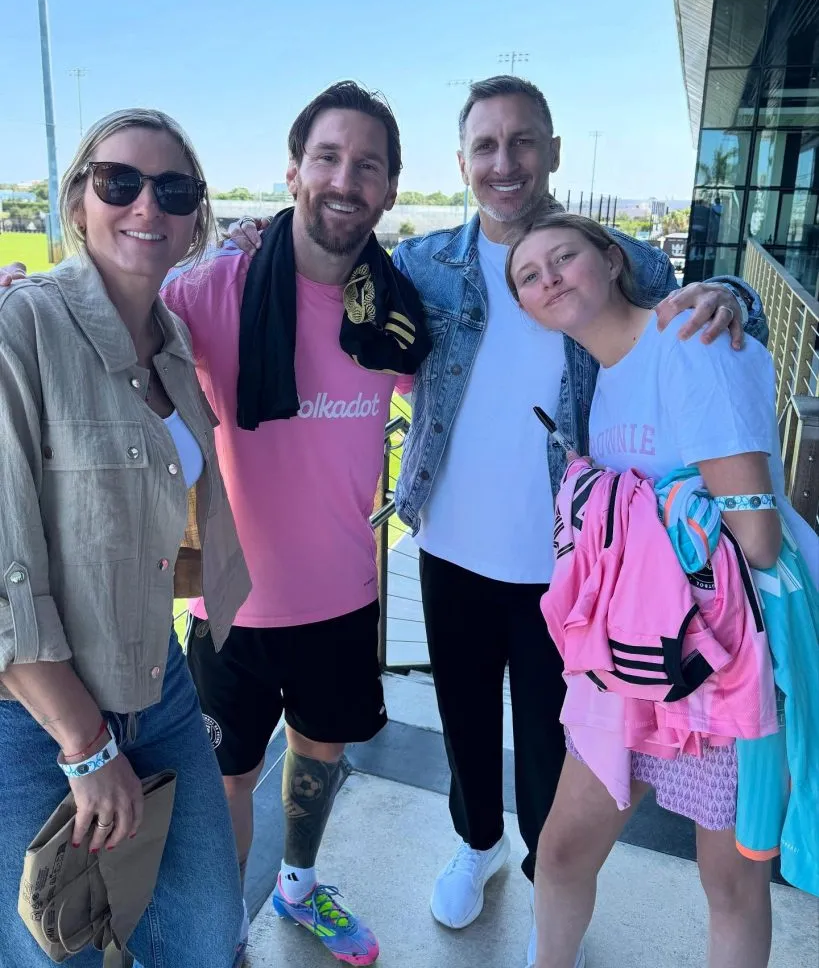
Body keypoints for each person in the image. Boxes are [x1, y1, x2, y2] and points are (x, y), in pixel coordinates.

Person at [387, 76, 768, 968]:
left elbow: (697, 318)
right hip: (451, 540)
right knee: (465, 719)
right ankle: (476, 844)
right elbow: (340, 289)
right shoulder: (428, 262)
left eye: (523, 141)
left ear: (553, 151)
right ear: (461, 163)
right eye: (485, 146)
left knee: (558, 743)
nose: (504, 161)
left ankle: (539, 878)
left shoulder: (620, 256)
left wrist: (735, 298)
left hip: (577, 570)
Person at [506, 210, 818, 968]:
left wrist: (640, 519)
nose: (547, 277)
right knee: (561, 848)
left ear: (612, 260)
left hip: (724, 658)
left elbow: (757, 537)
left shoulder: (690, 337)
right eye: (526, 275)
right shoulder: (599, 385)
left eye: (563, 256)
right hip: (632, 657)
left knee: (730, 883)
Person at [161, 81, 428, 966]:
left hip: (344, 595)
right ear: (292, 170)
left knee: (319, 751)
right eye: (327, 157)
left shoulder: (393, 311)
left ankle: (298, 886)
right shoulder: (209, 290)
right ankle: (227, 926)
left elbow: (458, 384)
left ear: (389, 189)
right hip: (230, 607)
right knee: (226, 782)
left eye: (367, 164)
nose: (344, 178)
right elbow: (107, 321)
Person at [0, 109, 251, 968]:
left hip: (161, 683)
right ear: (78, 200)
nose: (148, 205)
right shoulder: (20, 328)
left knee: (206, 935)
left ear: (193, 220)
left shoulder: (173, 345)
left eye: (173, 190)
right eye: (121, 182)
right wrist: (84, 745)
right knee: (50, 951)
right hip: (36, 718)